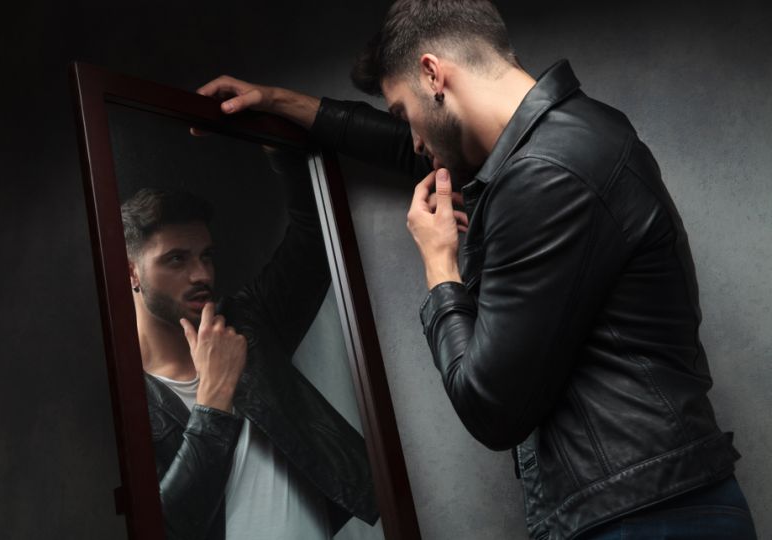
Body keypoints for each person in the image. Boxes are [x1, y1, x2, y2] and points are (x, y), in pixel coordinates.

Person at [193, 1, 758, 539]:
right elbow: (417, 148)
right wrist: (280, 103)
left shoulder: (544, 176)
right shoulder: (575, 135)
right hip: (654, 499)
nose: (415, 139)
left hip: (643, 517)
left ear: (432, 74)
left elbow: (490, 408)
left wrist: (440, 266)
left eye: (404, 112)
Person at [120, 148, 379, 540]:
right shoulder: (128, 400)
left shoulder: (247, 326)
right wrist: (213, 401)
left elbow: (316, 232)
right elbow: (163, 527)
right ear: (132, 273)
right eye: (176, 259)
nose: (201, 274)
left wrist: (278, 147)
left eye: (206, 256)